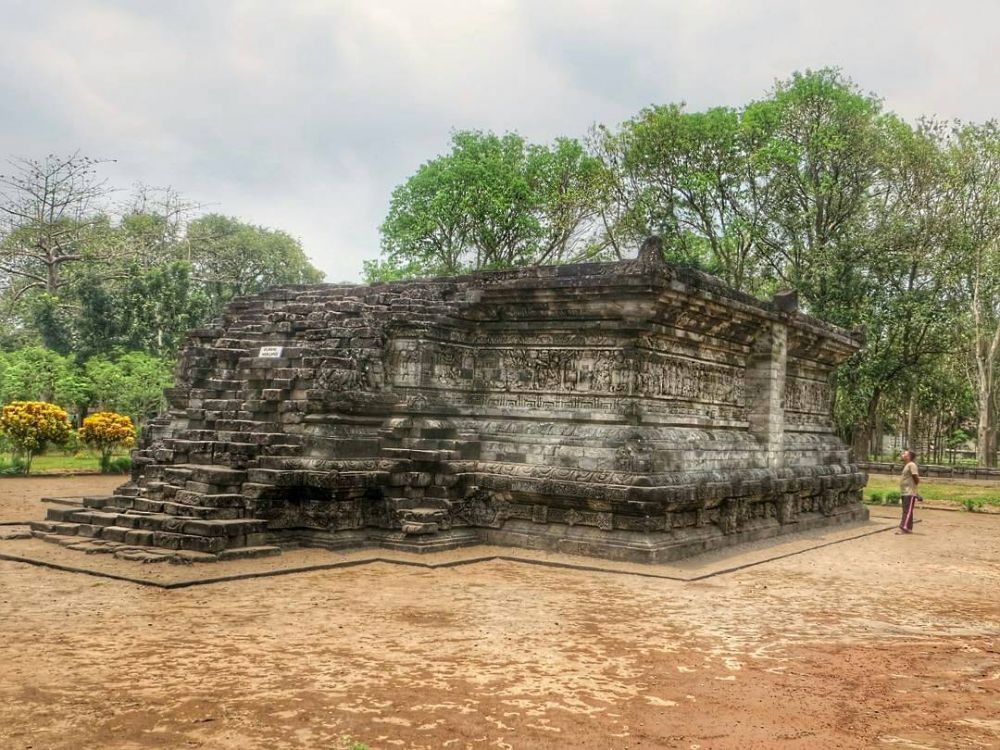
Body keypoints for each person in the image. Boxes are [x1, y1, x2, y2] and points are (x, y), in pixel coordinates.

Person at [897, 449, 920, 534]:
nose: (902, 455)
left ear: (909, 456)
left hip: (909, 492)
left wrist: (914, 488)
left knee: (907, 511)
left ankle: (903, 528)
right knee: (907, 510)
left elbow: (915, 477)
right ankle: (909, 528)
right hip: (905, 491)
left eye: (905, 454)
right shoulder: (907, 465)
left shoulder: (911, 465)